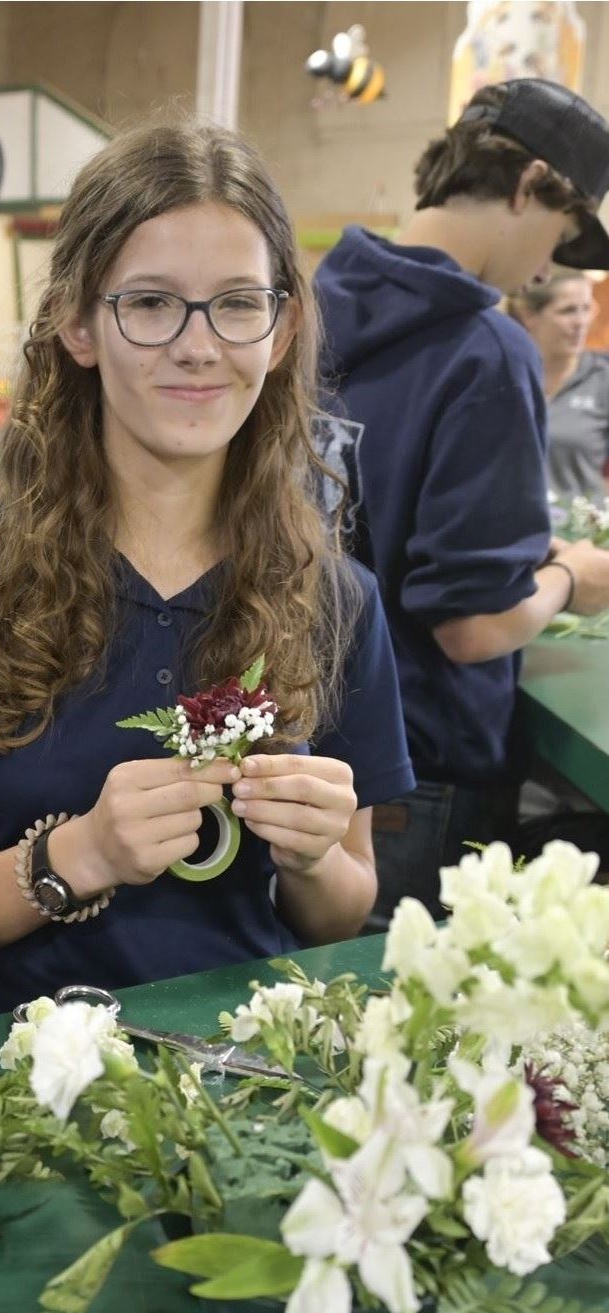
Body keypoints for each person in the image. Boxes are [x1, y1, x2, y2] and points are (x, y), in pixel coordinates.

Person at [0, 121, 414, 1018]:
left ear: (282, 331)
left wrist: (313, 858)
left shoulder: (335, 596)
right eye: (151, 304)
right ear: (79, 323)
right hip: (10, 1072)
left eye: (238, 303)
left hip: (247, 1075)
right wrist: (79, 858)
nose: (198, 346)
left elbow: (344, 912)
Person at [316, 78, 609, 921]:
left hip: (319, 741)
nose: (548, 266)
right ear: (529, 185)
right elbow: (473, 626)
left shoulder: (314, 306)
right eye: (558, 232)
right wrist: (568, 580)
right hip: (427, 768)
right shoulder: (486, 351)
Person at [508, 267, 609, 507]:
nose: (581, 322)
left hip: (583, 535)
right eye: (568, 311)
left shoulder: (601, 378)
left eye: (586, 309)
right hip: (514, 532)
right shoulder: (505, 375)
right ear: (528, 315)